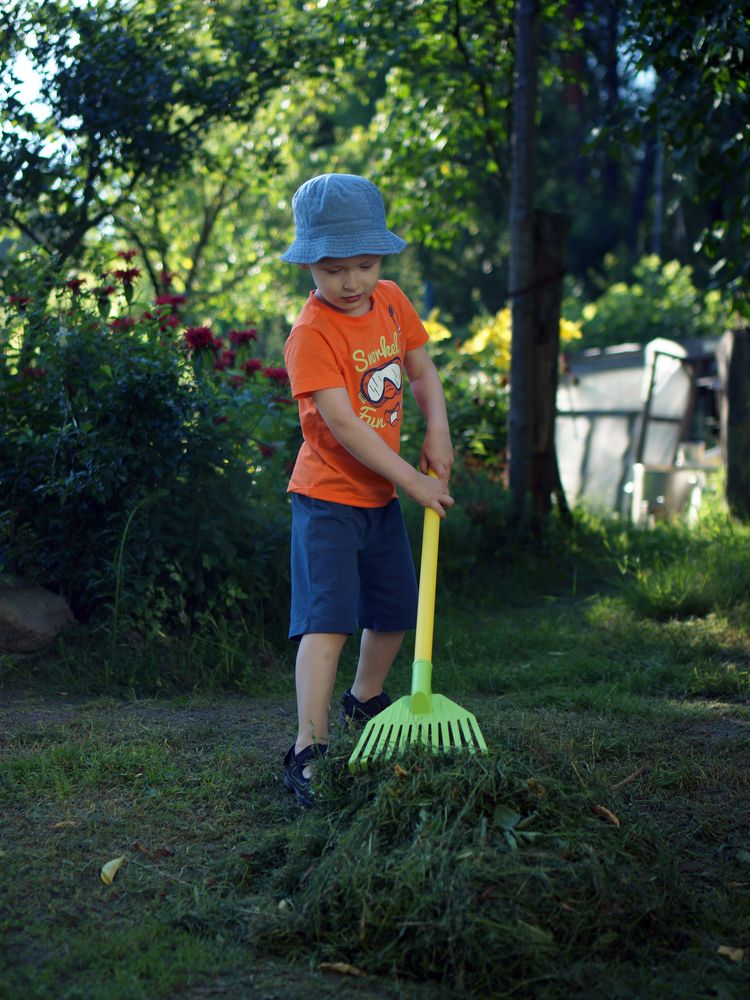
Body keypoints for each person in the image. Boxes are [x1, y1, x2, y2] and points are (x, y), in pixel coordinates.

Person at [279, 173, 454, 806]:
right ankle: (308, 746)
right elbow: (345, 425)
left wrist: (438, 430)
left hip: (379, 497)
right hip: (327, 499)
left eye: (365, 264)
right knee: (327, 622)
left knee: (396, 609)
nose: (352, 281)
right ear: (309, 264)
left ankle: (363, 699)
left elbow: (421, 368)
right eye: (334, 269)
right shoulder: (312, 335)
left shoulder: (390, 300)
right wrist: (410, 477)